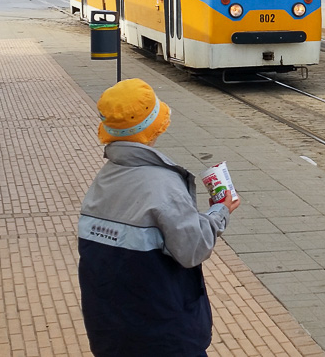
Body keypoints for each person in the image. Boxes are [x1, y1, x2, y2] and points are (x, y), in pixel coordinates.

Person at [78, 78, 241, 356]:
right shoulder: (163, 185)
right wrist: (220, 211)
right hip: (162, 334)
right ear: (154, 127)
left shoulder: (104, 179)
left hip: (109, 329)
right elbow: (193, 249)